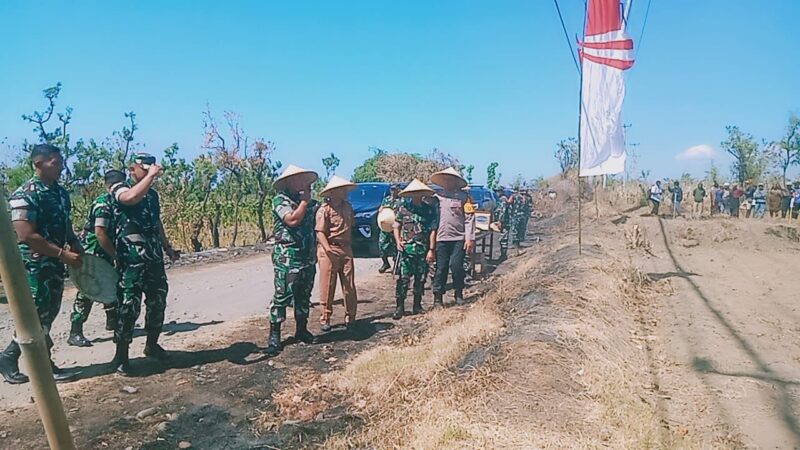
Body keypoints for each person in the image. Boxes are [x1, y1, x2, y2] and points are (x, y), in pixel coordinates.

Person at [1, 144, 83, 384]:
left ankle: (17, 359)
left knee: (48, 313)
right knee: (36, 315)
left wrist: (73, 242)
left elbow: (64, 221)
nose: (61, 167)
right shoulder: (24, 195)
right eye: (55, 163)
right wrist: (62, 254)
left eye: (61, 162)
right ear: (39, 164)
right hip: (35, 265)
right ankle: (33, 364)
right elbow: (25, 235)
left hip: (55, 263)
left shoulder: (59, 192)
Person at [110, 153, 180, 375]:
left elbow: (156, 222)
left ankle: (152, 344)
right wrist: (149, 177)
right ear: (134, 168)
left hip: (153, 259)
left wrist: (167, 248)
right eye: (146, 169)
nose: (152, 173)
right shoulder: (119, 187)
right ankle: (121, 355)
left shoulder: (153, 196)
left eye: (152, 169)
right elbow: (129, 198)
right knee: (129, 306)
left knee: (157, 301)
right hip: (131, 261)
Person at [265, 164, 319, 356]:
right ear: (288, 182)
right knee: (282, 296)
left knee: (304, 295)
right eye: (298, 179)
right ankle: (274, 335)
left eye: (304, 180)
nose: (302, 183)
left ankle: (302, 330)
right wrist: (304, 202)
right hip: (287, 257)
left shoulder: (313, 204)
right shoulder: (280, 200)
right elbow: (292, 220)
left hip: (307, 256)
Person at [68, 170, 126, 347]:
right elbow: (100, 234)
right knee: (87, 290)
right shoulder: (103, 204)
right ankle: (75, 331)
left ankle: (113, 322)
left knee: (112, 285)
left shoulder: (117, 202)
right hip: (95, 253)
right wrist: (115, 255)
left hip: (107, 251)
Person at [315, 175, 358, 332]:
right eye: (342, 189)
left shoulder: (348, 207)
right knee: (327, 285)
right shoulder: (324, 210)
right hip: (329, 249)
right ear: (333, 192)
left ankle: (351, 317)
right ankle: (325, 318)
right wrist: (327, 249)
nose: (345, 191)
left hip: (346, 248)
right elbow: (320, 232)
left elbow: (351, 226)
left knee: (349, 285)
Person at [392, 179, 438, 320]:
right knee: (403, 279)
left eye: (419, 193)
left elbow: (432, 230)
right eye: (413, 193)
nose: (416, 196)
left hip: (422, 250)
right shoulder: (403, 208)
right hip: (406, 250)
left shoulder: (429, 210)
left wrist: (431, 249)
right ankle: (399, 307)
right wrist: (398, 240)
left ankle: (417, 306)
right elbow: (396, 225)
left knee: (420, 279)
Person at [429, 167, 476, 307]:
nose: (448, 182)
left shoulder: (464, 198)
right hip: (441, 238)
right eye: (446, 180)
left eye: (450, 179)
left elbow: (469, 218)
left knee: (456, 267)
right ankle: (438, 298)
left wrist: (469, 238)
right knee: (441, 268)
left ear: (456, 181)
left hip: (459, 239)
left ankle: (458, 293)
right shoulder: (437, 198)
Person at [378, 184, 402, 273]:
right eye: (392, 189)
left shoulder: (401, 201)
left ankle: (396, 266)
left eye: (395, 189)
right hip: (385, 227)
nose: (393, 191)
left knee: (395, 247)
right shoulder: (386, 199)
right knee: (382, 246)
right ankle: (385, 263)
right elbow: (380, 209)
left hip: (395, 228)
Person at [493, 187, 510, 260]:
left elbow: (502, 212)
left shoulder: (503, 199)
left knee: (503, 239)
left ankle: (503, 256)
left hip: (504, 222)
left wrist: (500, 221)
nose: (496, 193)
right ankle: (503, 255)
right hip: (504, 221)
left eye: (497, 191)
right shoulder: (502, 199)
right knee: (503, 238)